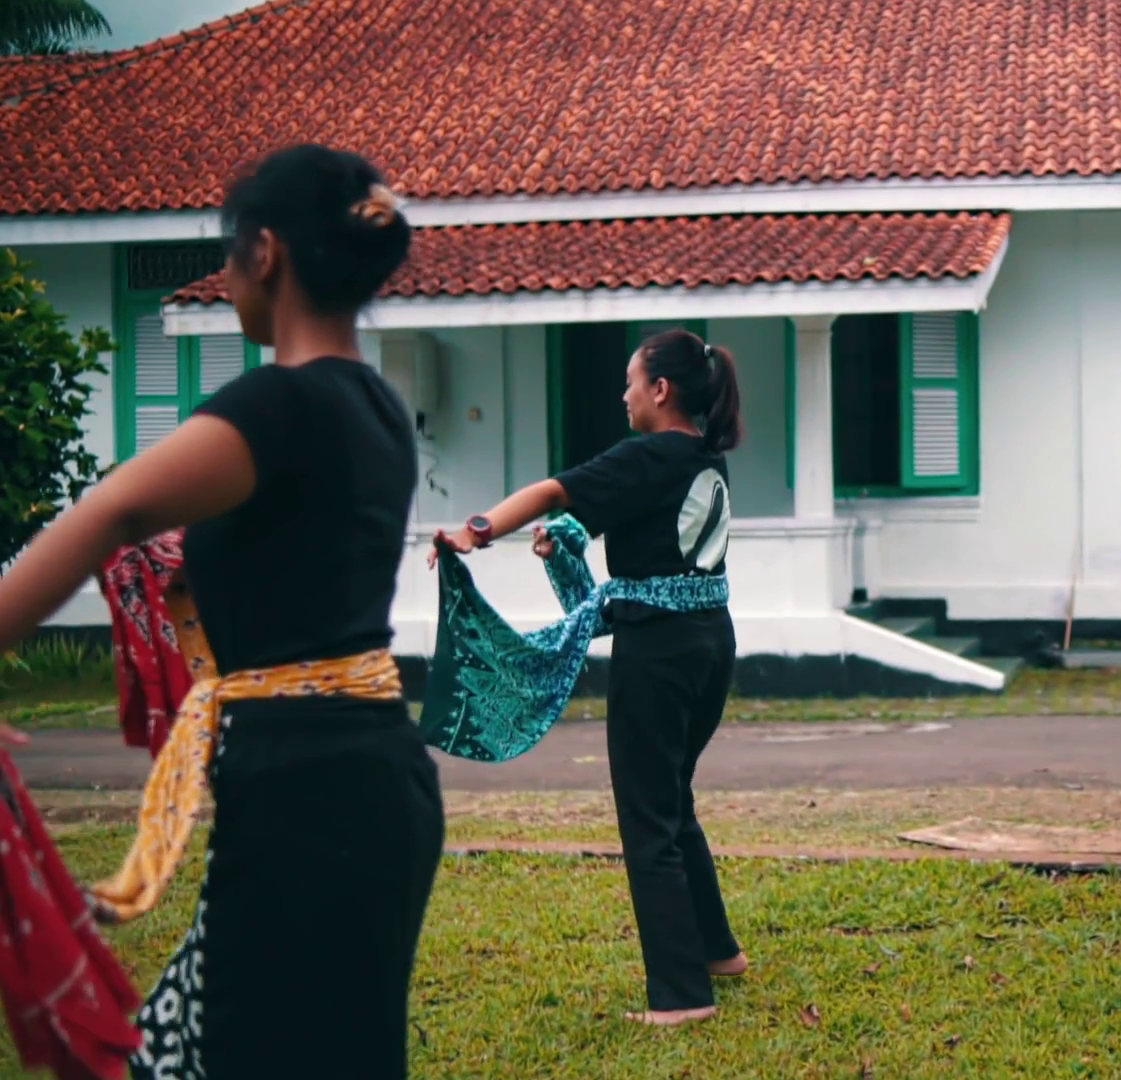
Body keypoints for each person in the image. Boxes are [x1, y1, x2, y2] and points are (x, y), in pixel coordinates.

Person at [0, 143, 444, 1077]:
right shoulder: (376, 407)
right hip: (371, 774)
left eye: (228, 250)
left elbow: (111, 512)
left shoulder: (277, 407)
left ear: (265, 252)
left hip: (305, 797)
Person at [433, 327, 748, 1026]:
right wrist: (567, 540)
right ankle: (718, 952)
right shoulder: (705, 457)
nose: (623, 395)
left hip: (658, 653)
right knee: (673, 802)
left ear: (660, 389)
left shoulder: (646, 454)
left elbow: (552, 490)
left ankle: (681, 997)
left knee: (647, 818)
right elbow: (645, 531)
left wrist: (475, 531)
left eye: (631, 382)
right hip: (709, 642)